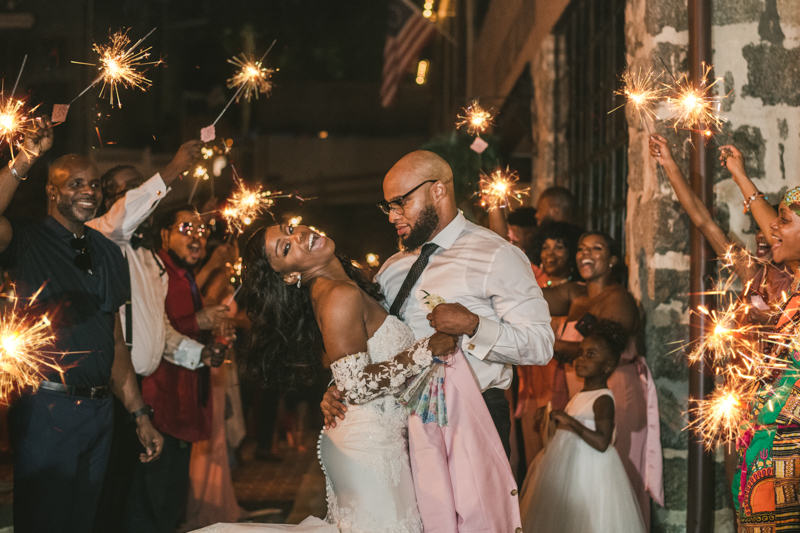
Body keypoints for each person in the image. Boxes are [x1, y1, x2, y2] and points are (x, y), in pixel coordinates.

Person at [322, 150, 553, 532]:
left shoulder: (496, 255)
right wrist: (340, 385)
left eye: (401, 202)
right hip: (396, 424)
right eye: (388, 206)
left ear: (438, 191)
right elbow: (375, 341)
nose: (393, 215)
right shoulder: (392, 267)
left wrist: (474, 325)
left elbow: (541, 344)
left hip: (471, 414)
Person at [238, 222, 458, 532]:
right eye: (286, 248)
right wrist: (425, 350)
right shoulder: (337, 294)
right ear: (289, 275)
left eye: (289, 228)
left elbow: (347, 370)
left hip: (379, 441)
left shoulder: (339, 288)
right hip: (369, 447)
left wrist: (333, 387)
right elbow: (354, 385)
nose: (298, 235)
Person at [0, 117, 163, 532]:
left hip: (100, 413)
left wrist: (139, 413)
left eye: (92, 184)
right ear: (52, 191)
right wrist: (26, 157)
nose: (88, 191)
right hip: (46, 409)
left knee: (84, 523)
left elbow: (115, 341)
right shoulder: (25, 238)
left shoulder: (109, 253)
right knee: (45, 523)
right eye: (74, 184)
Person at [88, 142, 235, 532]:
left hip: (139, 391)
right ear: (111, 200)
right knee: (120, 500)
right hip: (114, 390)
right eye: (131, 188)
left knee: (146, 501)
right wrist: (170, 171)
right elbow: (124, 214)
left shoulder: (149, 258)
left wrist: (196, 354)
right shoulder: (104, 237)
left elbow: (162, 330)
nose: (144, 195)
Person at [543, 231, 663, 528]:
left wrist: (544, 343)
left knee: (613, 475)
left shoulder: (619, 299)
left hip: (615, 391)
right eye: (582, 247)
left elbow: (603, 351)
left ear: (612, 260)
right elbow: (527, 297)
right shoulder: (574, 295)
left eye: (596, 248)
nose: (586, 253)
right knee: (584, 477)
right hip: (580, 393)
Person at [123, 206, 230, 533]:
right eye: (186, 228)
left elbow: (182, 334)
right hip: (162, 402)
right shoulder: (157, 271)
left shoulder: (183, 276)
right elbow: (156, 333)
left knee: (171, 505)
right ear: (165, 234)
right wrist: (198, 321)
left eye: (201, 230)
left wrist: (209, 348)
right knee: (150, 507)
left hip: (185, 403)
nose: (196, 236)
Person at [719, 145, 800, 529]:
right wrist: (739, 172)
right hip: (765, 452)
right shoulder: (796, 279)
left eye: (783, 221)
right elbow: (770, 219)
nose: (773, 230)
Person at [518, 320, 646, 533]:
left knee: (587, 518)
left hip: (590, 469)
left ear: (607, 366)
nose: (581, 359)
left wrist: (570, 421)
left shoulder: (603, 399)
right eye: (580, 353)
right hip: (568, 463)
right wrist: (550, 416)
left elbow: (602, 442)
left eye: (591, 355)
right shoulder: (580, 394)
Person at [649, 134, 791, 307]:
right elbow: (704, 222)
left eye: (780, 223)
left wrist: (768, 319)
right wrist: (668, 163)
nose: (763, 234)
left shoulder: (793, 283)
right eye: (759, 228)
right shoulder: (754, 273)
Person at [517, 221, 583, 466]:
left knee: (557, 456)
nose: (550, 254)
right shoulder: (534, 284)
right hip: (532, 379)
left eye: (559, 248)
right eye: (545, 247)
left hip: (561, 378)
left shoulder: (577, 291)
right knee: (533, 455)